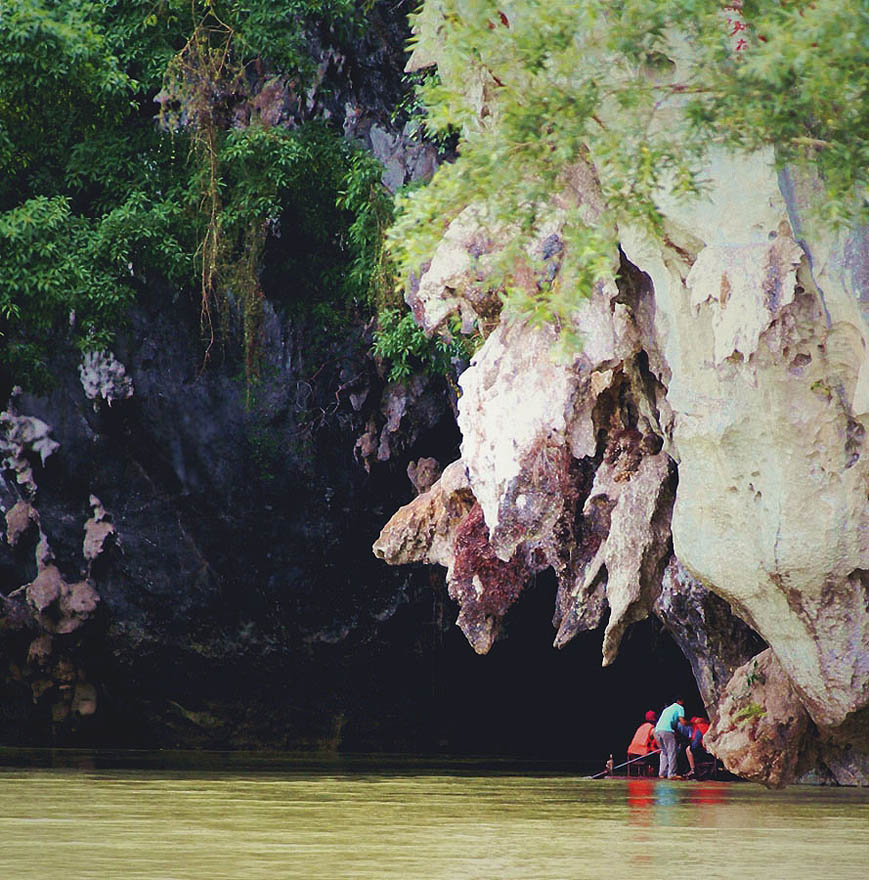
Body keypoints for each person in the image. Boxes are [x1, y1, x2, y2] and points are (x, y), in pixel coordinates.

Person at [654, 697, 686, 779]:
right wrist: (693, 723)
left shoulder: (667, 709)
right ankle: (672, 774)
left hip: (657, 730)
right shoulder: (680, 708)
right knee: (672, 751)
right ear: (680, 701)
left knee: (664, 752)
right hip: (666, 730)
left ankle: (662, 773)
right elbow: (682, 722)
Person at [627, 710, 659, 776]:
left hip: (631, 753)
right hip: (641, 754)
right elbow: (655, 744)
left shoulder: (641, 727)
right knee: (659, 756)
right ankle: (654, 774)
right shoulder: (652, 729)